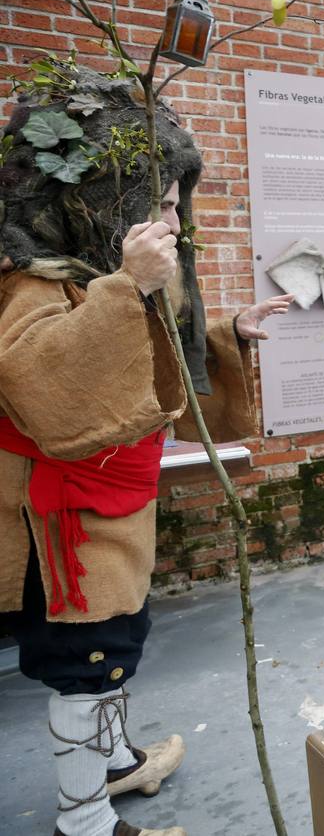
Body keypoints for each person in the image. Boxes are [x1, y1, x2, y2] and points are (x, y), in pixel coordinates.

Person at [0, 70, 292, 836]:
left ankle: (113, 764)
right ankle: (84, 821)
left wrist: (231, 333)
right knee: (83, 662)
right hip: (59, 525)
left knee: (115, 646)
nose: (175, 220)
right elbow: (42, 384)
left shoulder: (102, 278)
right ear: (102, 203)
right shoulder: (29, 286)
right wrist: (129, 288)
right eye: (159, 203)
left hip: (110, 512)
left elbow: (156, 367)